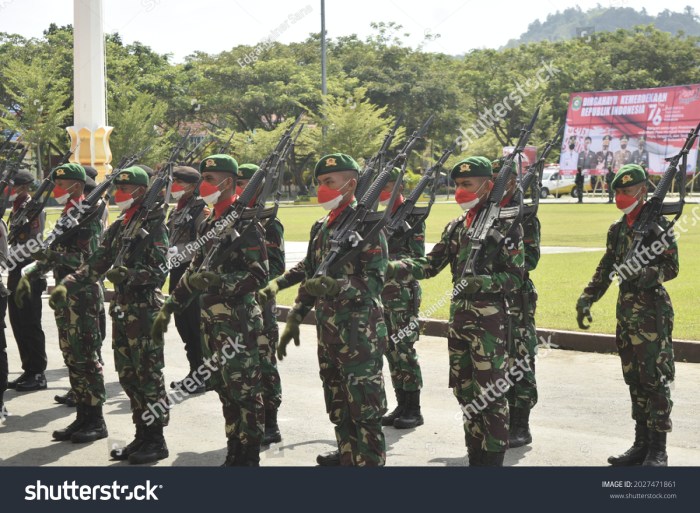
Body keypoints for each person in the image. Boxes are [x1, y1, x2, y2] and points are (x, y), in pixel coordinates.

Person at [388, 156, 524, 466]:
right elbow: (430, 265)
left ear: (489, 186)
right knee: (465, 391)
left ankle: (491, 462)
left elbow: (516, 277)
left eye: (467, 184)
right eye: (458, 185)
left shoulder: (506, 226)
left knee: (490, 396)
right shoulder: (457, 226)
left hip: (490, 322)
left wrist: (482, 282)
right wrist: (390, 267)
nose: (460, 190)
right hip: (460, 320)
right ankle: (475, 455)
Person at [273, 153, 389, 467]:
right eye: (320, 183)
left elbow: (375, 282)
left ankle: (370, 462)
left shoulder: (368, 225)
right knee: (337, 396)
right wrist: (296, 314)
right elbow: (312, 273)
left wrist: (338, 286)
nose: (322, 188)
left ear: (351, 184)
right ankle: (348, 453)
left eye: (329, 182)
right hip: (329, 329)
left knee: (364, 402)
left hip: (358, 330)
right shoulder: (322, 225)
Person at [152, 154, 268, 466]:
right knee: (224, 390)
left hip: (238, 324)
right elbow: (192, 271)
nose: (203, 184)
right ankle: (234, 448)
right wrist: (171, 305)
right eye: (202, 178)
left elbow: (259, 275)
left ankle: (250, 453)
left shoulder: (246, 224)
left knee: (245, 392)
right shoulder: (211, 222)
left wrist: (219, 281)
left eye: (210, 179)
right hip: (213, 324)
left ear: (229, 183)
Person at [49, 166, 170, 464]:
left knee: (148, 377)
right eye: (118, 188)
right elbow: (98, 261)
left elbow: (159, 271)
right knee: (129, 376)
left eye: (125, 190)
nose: (119, 195)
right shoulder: (120, 225)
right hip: (123, 311)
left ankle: (156, 439)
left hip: (144, 312)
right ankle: (141, 436)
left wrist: (128, 273)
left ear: (141, 192)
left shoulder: (155, 225)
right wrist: (69, 283)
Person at [576, 164, 677, 467]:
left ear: (643, 191)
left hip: (652, 315)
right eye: (617, 191)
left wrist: (643, 272)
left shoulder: (659, 227)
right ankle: (641, 444)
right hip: (627, 315)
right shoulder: (618, 230)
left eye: (627, 191)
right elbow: (606, 267)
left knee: (655, 380)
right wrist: (587, 297)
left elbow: (671, 268)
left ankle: (658, 450)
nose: (620, 196)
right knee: (634, 380)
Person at [16, 163, 107, 443]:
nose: (54, 188)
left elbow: (87, 261)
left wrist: (49, 257)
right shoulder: (70, 211)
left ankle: (96, 420)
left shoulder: (87, 213)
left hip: (82, 295)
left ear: (77, 185)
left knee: (87, 360)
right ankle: (82, 416)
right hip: (66, 297)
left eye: (60, 183)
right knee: (73, 358)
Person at [492, 158, 540, 448]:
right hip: (490, 297)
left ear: (512, 182)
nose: (497, 183)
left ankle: (521, 424)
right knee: (496, 358)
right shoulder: (488, 210)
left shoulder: (525, 215)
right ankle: (500, 419)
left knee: (519, 357)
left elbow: (531, 259)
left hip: (516, 296)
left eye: (501, 178)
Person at [236, 163, 285, 445]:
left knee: (265, 363)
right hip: (237, 308)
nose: (242, 189)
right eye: (239, 183)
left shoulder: (269, 223)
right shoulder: (235, 219)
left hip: (261, 305)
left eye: (247, 184)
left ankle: (271, 422)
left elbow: (276, 268)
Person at [379, 167, 426, 430]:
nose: (384, 192)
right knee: (390, 351)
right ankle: (401, 404)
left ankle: (414, 409)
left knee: (404, 352)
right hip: (380, 295)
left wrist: (387, 264)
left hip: (402, 296)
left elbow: (419, 260)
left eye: (388, 186)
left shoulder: (412, 217)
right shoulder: (377, 216)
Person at [166, 166, 209, 395]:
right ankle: (194, 370)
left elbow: (204, 242)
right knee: (182, 324)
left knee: (194, 325)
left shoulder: (201, 209)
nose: (174, 187)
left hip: (191, 272)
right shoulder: (176, 210)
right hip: (176, 271)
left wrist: (179, 252)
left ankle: (201, 375)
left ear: (191, 186)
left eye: (178, 183)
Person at [6, 170, 47, 392]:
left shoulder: (34, 208)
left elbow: (36, 243)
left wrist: (13, 256)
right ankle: (28, 370)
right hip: (15, 270)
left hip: (29, 270)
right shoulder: (17, 209)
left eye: (11, 187)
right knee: (18, 323)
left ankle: (38, 373)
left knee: (30, 323)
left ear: (22, 188)